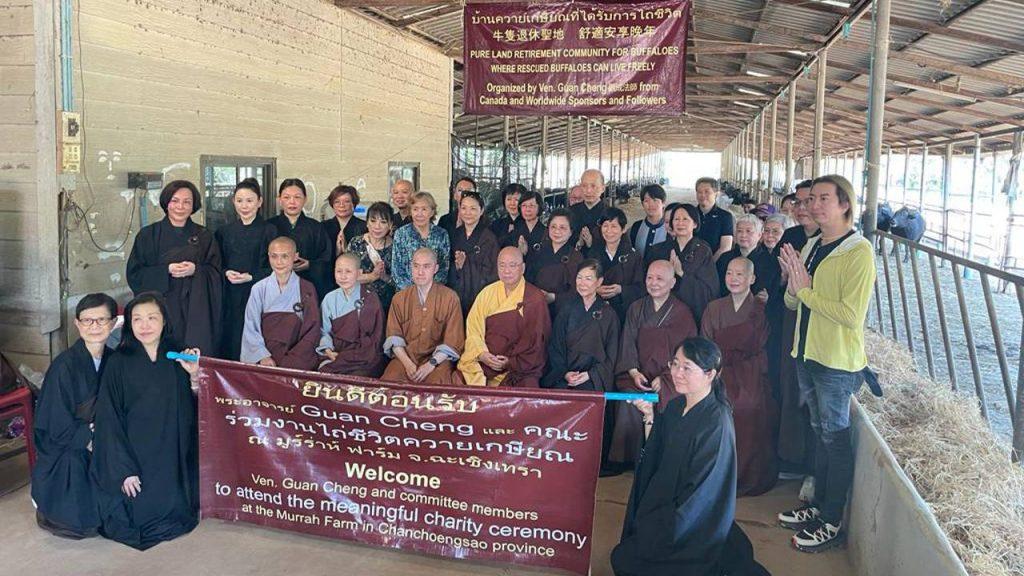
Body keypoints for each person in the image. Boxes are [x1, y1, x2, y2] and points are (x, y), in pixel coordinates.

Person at [777, 175, 876, 552]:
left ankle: (832, 520)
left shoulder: (858, 251)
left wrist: (804, 290)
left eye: (823, 199)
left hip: (836, 360)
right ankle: (817, 506)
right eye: (811, 200)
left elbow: (851, 315)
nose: (813, 206)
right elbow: (794, 304)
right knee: (819, 432)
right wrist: (792, 286)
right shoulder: (813, 244)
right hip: (807, 353)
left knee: (835, 438)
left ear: (845, 205)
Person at [611, 337, 738, 576]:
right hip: (665, 507)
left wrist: (670, 527)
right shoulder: (675, 406)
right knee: (622, 558)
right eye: (675, 364)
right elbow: (656, 453)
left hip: (693, 521)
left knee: (631, 563)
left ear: (710, 374)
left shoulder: (717, 422)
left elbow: (705, 491)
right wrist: (649, 415)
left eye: (687, 368)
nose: (677, 373)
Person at [91, 292, 201, 550]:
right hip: (135, 455)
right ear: (129, 324)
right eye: (137, 319)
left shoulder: (177, 356)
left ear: (164, 321)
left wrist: (194, 376)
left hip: (171, 453)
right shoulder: (119, 362)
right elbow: (109, 419)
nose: (145, 325)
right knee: (138, 513)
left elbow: (196, 408)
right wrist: (123, 470)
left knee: (176, 510)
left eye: (152, 318)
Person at [31, 293, 117, 539]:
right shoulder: (64, 366)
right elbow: (55, 422)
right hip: (69, 444)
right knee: (78, 518)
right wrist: (90, 440)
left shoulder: (114, 360)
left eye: (101, 320)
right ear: (77, 324)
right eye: (88, 320)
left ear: (112, 324)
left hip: (103, 436)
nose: (95, 327)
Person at [609, 261, 697, 469]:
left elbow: (686, 351)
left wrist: (666, 377)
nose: (653, 283)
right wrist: (632, 371)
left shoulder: (682, 312)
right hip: (638, 376)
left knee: (671, 400)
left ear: (672, 282)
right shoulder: (636, 308)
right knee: (627, 402)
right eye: (649, 278)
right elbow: (628, 341)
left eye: (660, 279)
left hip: (671, 378)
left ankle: (662, 458)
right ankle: (628, 459)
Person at [702, 258, 778, 497]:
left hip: (749, 372)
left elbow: (764, 347)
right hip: (717, 371)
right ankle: (713, 477)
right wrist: (714, 369)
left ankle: (745, 475)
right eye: (729, 273)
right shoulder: (713, 307)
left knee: (749, 406)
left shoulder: (761, 309)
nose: (733, 279)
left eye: (740, 274)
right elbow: (705, 343)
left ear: (752, 279)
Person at [126, 180, 222, 356]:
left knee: (193, 357)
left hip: (195, 308)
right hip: (163, 306)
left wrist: (196, 270)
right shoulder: (148, 235)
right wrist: (166, 270)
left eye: (187, 202)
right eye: (175, 201)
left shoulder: (205, 236)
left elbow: (217, 273)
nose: (180, 206)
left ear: (194, 205)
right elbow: (135, 274)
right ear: (166, 203)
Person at [542, 259, 620, 476]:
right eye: (579, 278)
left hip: (593, 378)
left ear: (599, 282)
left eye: (588, 279)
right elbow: (555, 347)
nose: (582, 283)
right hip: (565, 377)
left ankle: (589, 464)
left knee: (596, 404)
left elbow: (612, 354)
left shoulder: (609, 314)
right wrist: (565, 373)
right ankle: (559, 457)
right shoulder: (566, 310)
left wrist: (589, 375)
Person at [770, 179, 819, 479]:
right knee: (788, 383)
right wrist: (787, 278)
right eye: (798, 203)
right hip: (790, 318)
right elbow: (781, 284)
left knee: (812, 392)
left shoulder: (835, 243)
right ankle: (790, 456)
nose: (802, 209)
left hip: (820, 323)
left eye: (809, 201)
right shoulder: (790, 236)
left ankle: (811, 464)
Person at [458, 247, 551, 387]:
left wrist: (510, 362)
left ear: (523, 268)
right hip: (485, 363)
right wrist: (482, 354)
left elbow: (538, 345)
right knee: (457, 380)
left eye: (512, 265)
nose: (506, 271)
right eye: (502, 265)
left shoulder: (535, 298)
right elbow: (473, 329)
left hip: (519, 368)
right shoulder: (487, 293)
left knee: (528, 390)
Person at [382, 248, 465, 385]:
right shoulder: (399, 298)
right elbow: (394, 337)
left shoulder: (450, 298)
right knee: (389, 385)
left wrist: (430, 364)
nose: (420, 272)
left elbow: (453, 341)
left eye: (426, 266)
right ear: (411, 267)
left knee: (437, 390)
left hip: (437, 361)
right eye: (416, 266)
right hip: (406, 358)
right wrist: (408, 364)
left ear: (435, 268)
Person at [215, 178, 276, 361]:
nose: (244, 206)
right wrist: (225, 272)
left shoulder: (270, 230)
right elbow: (215, 263)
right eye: (239, 200)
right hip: (230, 295)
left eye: (250, 200)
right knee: (231, 338)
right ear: (233, 202)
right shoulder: (223, 232)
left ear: (259, 202)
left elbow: (277, 266)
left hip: (260, 293)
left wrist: (251, 277)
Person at [239, 237, 321, 370]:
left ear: (295, 256)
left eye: (285, 256)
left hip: (296, 360)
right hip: (266, 359)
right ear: (268, 256)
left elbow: (313, 328)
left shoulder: (306, 288)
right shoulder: (259, 288)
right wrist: (262, 356)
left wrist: (295, 359)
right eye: (274, 256)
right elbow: (250, 326)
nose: (279, 262)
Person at [644, 204, 719, 322]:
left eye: (685, 219)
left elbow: (709, 291)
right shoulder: (658, 250)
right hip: (663, 312)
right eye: (676, 219)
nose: (680, 223)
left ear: (695, 224)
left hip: (692, 314)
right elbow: (647, 282)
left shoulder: (703, 251)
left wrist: (681, 273)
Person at [317, 253, 385, 376]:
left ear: (359, 273)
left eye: (348, 271)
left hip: (364, 354)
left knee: (360, 376)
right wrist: (328, 350)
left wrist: (366, 352)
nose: (343, 276)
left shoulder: (370, 297)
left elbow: (377, 334)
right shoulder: (329, 298)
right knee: (323, 374)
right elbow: (323, 330)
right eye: (339, 271)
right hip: (337, 353)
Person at [267, 178, 333, 300]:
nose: (292, 202)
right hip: (275, 288)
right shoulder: (269, 226)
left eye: (297, 197)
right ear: (279, 199)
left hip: (308, 287)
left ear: (305, 199)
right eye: (286, 197)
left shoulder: (316, 227)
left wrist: (310, 265)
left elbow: (326, 258)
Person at [588, 207, 644, 322]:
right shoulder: (593, 253)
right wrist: (594, 289)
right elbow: (584, 280)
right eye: (605, 226)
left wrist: (621, 290)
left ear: (623, 229)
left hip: (623, 312)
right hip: (597, 310)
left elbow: (641, 287)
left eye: (614, 226)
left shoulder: (633, 256)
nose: (609, 231)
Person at [525, 208, 583, 317]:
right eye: (553, 227)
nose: (557, 231)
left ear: (571, 231)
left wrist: (554, 297)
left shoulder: (576, 257)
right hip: (536, 307)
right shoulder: (537, 252)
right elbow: (528, 279)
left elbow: (578, 290)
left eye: (563, 228)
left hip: (563, 311)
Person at [448, 191, 498, 316]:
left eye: (473, 209)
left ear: (481, 211)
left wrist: (467, 264)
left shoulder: (489, 238)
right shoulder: (454, 235)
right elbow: (447, 265)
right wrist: (458, 267)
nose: (467, 213)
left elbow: (492, 272)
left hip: (480, 296)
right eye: (463, 208)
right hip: (456, 294)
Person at [391, 192, 451, 291]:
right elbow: (396, 269)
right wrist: (413, 291)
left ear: (432, 212)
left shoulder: (441, 234)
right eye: (415, 209)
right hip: (406, 293)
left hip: (434, 292)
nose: (419, 214)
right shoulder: (401, 234)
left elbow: (444, 267)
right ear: (410, 211)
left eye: (424, 209)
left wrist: (429, 290)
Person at [347, 201, 397, 314]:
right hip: (357, 303)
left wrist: (384, 277)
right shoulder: (356, 243)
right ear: (367, 223)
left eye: (383, 222)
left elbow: (402, 282)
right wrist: (372, 276)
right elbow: (346, 276)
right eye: (373, 221)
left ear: (390, 225)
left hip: (388, 306)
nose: (377, 226)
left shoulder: (396, 246)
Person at [716, 213, 780, 299]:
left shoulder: (769, 261)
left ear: (759, 235)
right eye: (739, 231)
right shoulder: (725, 258)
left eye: (748, 231)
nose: (743, 235)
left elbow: (773, 290)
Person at [321, 184, 367, 262]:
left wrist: (347, 250)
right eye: (337, 202)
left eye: (346, 201)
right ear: (332, 205)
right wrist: (336, 252)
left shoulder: (364, 227)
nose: (341, 205)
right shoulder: (323, 227)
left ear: (354, 204)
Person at [693, 177, 734, 261]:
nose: (703, 195)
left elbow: (725, 247)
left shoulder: (725, 217)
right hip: (690, 263)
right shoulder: (690, 214)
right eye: (699, 192)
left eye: (707, 192)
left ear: (716, 193)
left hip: (715, 264)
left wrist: (709, 265)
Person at [570, 169, 608, 249]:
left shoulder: (610, 214)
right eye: (584, 186)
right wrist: (578, 243)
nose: (588, 190)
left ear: (603, 188)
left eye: (593, 186)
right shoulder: (570, 212)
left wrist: (592, 243)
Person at [628, 184, 668, 260]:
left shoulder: (670, 229)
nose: (651, 204)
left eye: (655, 200)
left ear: (663, 203)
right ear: (642, 204)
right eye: (646, 201)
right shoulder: (635, 228)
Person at [504, 190, 546, 255]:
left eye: (531, 206)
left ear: (539, 207)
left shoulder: (546, 233)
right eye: (524, 206)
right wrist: (519, 253)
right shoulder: (514, 232)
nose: (527, 209)